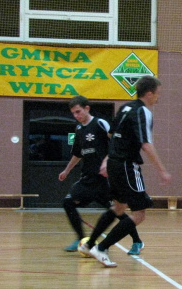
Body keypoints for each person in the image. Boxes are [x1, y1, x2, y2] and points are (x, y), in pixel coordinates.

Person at [79, 76, 171, 267]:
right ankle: (101, 247)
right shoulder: (143, 112)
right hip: (128, 166)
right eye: (157, 94)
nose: (158, 98)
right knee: (139, 214)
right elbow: (146, 144)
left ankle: (89, 245)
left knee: (119, 207)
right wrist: (162, 170)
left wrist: (107, 158)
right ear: (149, 93)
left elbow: (112, 136)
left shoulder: (125, 108)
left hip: (114, 164)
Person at [59, 95, 145, 256]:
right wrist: (67, 170)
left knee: (117, 211)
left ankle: (137, 241)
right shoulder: (79, 129)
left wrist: (107, 161)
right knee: (68, 203)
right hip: (88, 180)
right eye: (73, 113)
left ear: (87, 108)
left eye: (78, 112)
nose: (76, 116)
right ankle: (81, 239)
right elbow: (78, 154)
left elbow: (115, 144)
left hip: (106, 179)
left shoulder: (100, 123)